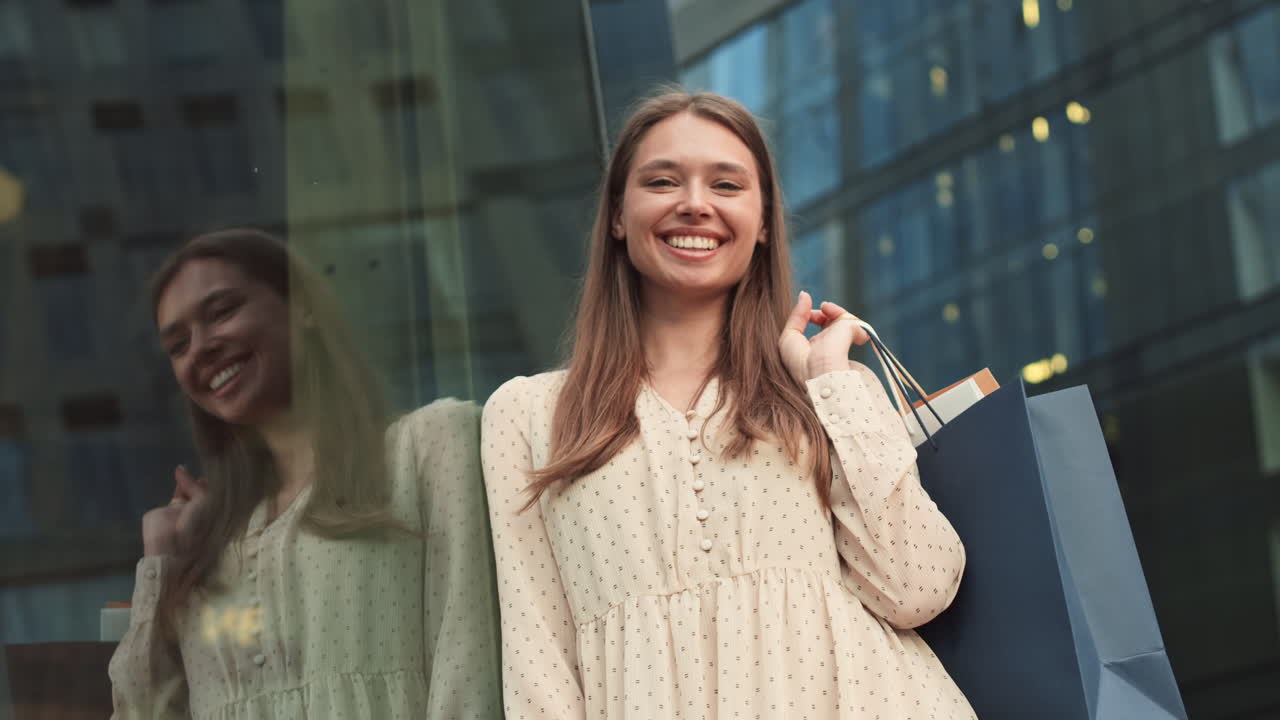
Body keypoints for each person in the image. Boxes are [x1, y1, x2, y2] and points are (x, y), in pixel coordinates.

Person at [481, 90, 976, 719]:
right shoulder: (525, 414)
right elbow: (538, 666)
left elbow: (919, 587)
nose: (694, 204)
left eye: (727, 184)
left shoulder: (823, 390)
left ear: (764, 221)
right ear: (616, 214)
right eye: (662, 181)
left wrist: (832, 381)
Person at [108, 228, 502, 719]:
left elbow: (470, 670)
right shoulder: (209, 541)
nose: (201, 347)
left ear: (303, 307)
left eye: (223, 311)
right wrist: (162, 560)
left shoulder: (428, 447)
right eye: (178, 344)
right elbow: (142, 712)